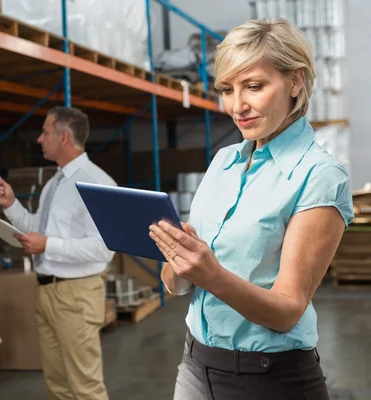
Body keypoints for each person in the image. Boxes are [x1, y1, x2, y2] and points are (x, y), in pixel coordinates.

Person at [148, 18, 354, 400]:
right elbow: (178, 283)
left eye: (254, 86)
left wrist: (209, 274)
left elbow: (287, 310)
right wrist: (177, 262)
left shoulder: (320, 176)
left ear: (296, 81)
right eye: (227, 89)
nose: (236, 106)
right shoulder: (223, 161)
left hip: (268, 380)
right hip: (194, 363)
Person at [0, 106, 116, 400]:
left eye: (45, 132)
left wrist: (48, 245)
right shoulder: (55, 182)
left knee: (86, 388)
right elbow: (39, 227)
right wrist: (11, 205)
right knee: (58, 386)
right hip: (48, 292)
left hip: (76, 295)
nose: (39, 139)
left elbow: (104, 248)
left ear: (63, 137)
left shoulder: (95, 182)